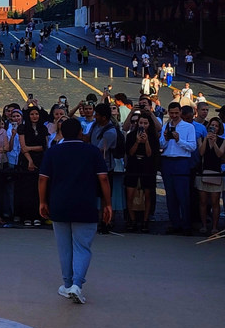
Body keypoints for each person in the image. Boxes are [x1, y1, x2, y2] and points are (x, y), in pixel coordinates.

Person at [38, 118, 112, 305]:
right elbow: (103, 179)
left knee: (64, 247)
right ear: (81, 132)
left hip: (59, 203)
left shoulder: (53, 151)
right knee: (82, 246)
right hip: (85, 204)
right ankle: (77, 284)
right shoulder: (93, 152)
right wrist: (108, 204)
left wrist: (42, 201)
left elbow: (43, 179)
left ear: (61, 132)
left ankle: (67, 283)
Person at [159, 101, 196, 234]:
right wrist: (166, 138)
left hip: (181, 161)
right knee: (170, 195)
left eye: (176, 113)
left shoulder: (188, 127)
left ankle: (186, 225)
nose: (174, 115)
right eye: (171, 113)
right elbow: (161, 145)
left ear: (180, 112)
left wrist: (179, 140)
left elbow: (192, 147)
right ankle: (175, 223)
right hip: (167, 160)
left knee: (183, 194)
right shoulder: (166, 126)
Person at [123, 112, 159, 233]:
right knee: (130, 194)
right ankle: (132, 220)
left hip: (147, 167)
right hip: (133, 166)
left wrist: (146, 141)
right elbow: (130, 153)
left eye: (145, 123)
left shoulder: (153, 137)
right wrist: (137, 142)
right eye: (141, 123)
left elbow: (150, 154)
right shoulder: (131, 136)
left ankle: (145, 220)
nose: (143, 125)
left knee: (147, 194)